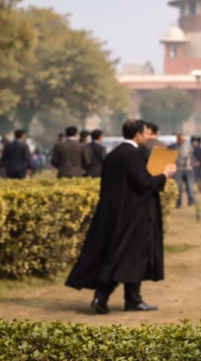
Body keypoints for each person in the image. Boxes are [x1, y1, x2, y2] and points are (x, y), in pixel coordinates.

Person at [65, 119, 176, 314]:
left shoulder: (113, 154)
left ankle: (110, 297)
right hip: (135, 215)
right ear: (138, 134)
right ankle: (125, 299)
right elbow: (142, 183)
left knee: (120, 256)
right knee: (133, 257)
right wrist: (164, 175)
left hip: (114, 213)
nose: (148, 136)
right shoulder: (133, 155)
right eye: (146, 132)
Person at [169, 133, 195, 208]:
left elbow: (192, 157)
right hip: (177, 169)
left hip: (188, 169)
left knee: (190, 186)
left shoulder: (189, 147)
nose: (181, 140)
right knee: (178, 187)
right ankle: (178, 202)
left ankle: (191, 201)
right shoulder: (173, 147)